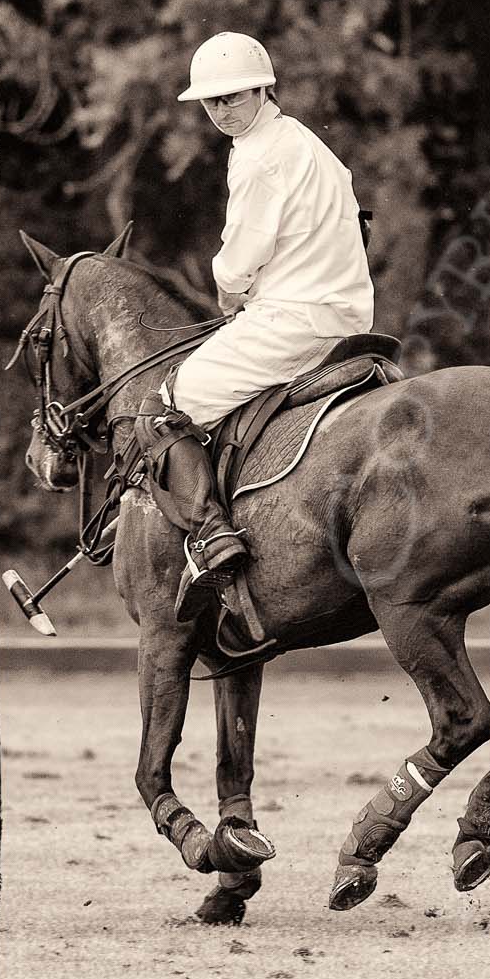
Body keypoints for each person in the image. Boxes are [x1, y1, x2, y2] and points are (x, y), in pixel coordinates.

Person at [139, 31, 376, 622]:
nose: (222, 110)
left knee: (166, 403)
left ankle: (214, 537)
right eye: (212, 102)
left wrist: (229, 295)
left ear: (263, 88)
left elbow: (239, 263)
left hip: (292, 319)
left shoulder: (259, 156)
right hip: (347, 316)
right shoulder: (307, 142)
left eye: (233, 97)